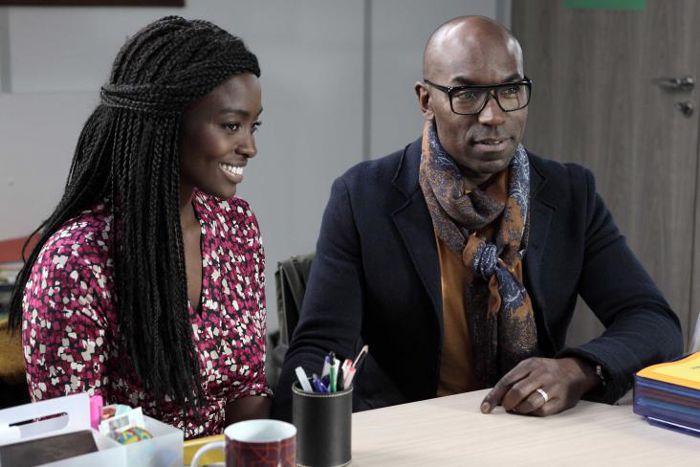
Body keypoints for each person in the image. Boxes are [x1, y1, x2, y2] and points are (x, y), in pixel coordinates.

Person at [272, 16, 683, 421]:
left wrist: (577, 370)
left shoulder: (570, 193)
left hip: (531, 428)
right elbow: (319, 350)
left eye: (510, 90)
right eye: (467, 94)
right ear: (425, 100)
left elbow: (653, 321)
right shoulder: (364, 197)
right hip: (411, 432)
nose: (493, 116)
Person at [8, 16, 270, 438]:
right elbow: (71, 442)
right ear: (168, 122)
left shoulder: (237, 227)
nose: (250, 147)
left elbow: (248, 389)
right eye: (230, 125)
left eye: (252, 126)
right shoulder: (74, 263)